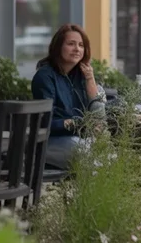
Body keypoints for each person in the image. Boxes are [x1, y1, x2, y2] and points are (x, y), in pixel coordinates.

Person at [31, 24, 106, 169]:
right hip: (50, 140)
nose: (77, 49)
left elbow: (99, 115)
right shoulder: (45, 77)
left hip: (80, 139)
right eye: (71, 44)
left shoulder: (82, 76)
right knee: (84, 152)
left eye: (81, 45)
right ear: (58, 46)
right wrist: (74, 124)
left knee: (110, 152)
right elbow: (45, 121)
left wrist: (90, 80)